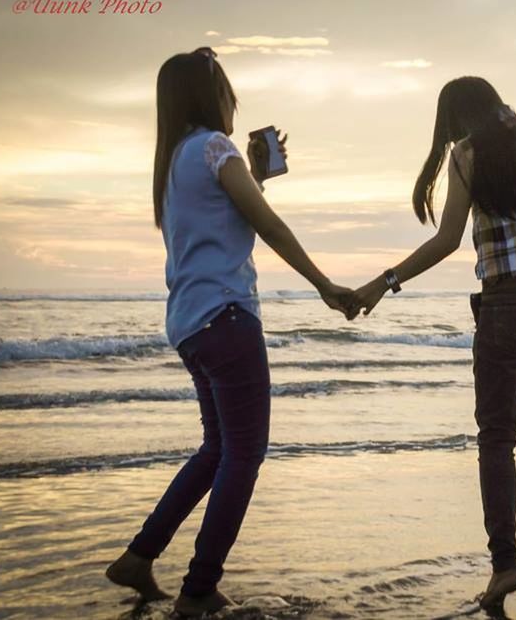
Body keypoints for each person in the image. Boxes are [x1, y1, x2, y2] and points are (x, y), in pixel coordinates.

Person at [349, 77, 516, 608]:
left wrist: (383, 284)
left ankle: (505, 567)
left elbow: (448, 240)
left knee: (497, 434)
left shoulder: (467, 157)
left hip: (508, 302)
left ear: (455, 120)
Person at [105, 47, 354, 616]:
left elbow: (232, 216)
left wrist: (258, 175)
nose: (231, 99)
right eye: (225, 90)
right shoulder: (216, 148)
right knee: (244, 453)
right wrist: (323, 283)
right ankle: (198, 588)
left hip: (190, 325)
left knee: (218, 447)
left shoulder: (171, 161)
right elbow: (264, 225)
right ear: (210, 96)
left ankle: (139, 557)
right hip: (228, 317)